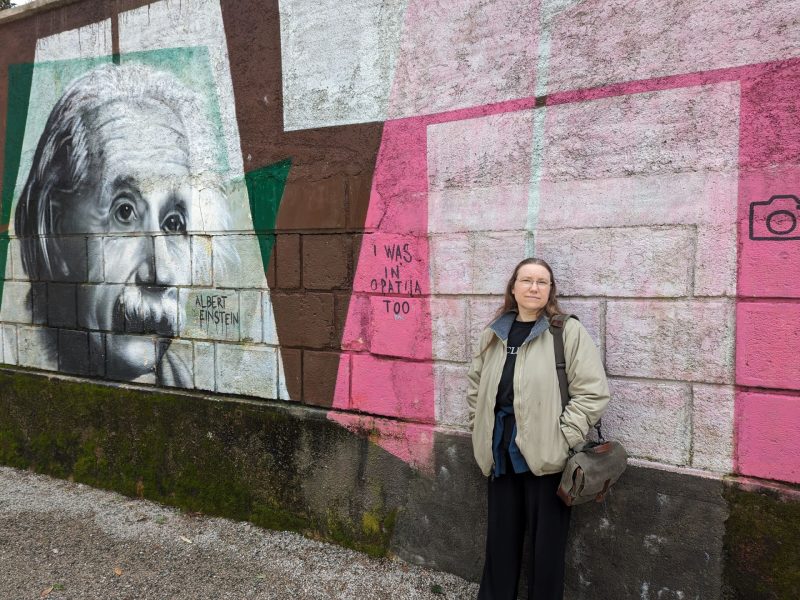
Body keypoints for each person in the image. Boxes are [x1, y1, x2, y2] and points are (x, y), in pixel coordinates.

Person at [13, 63, 237, 385]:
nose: (160, 274)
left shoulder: (185, 389)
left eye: (174, 223)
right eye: (125, 213)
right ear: (56, 230)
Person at [466, 257, 610, 600]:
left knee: (547, 549)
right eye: (526, 280)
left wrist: (564, 437)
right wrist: (479, 426)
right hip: (500, 451)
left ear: (550, 291)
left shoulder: (565, 331)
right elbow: (475, 387)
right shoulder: (494, 332)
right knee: (500, 540)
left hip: (549, 457)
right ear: (513, 288)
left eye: (541, 282)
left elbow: (593, 392)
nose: (533, 287)